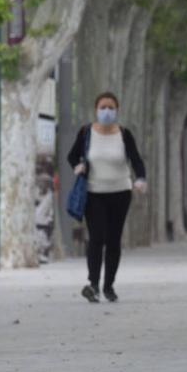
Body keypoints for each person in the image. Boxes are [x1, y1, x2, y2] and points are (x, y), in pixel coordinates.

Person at [67, 92, 147, 303]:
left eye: (111, 107)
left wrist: (140, 178)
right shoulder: (86, 133)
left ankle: (108, 286)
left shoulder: (124, 134)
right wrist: (78, 166)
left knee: (113, 239)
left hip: (121, 193)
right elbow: (71, 155)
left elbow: (136, 160)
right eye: (103, 107)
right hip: (93, 194)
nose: (107, 111)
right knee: (97, 237)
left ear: (117, 110)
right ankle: (93, 284)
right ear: (96, 109)